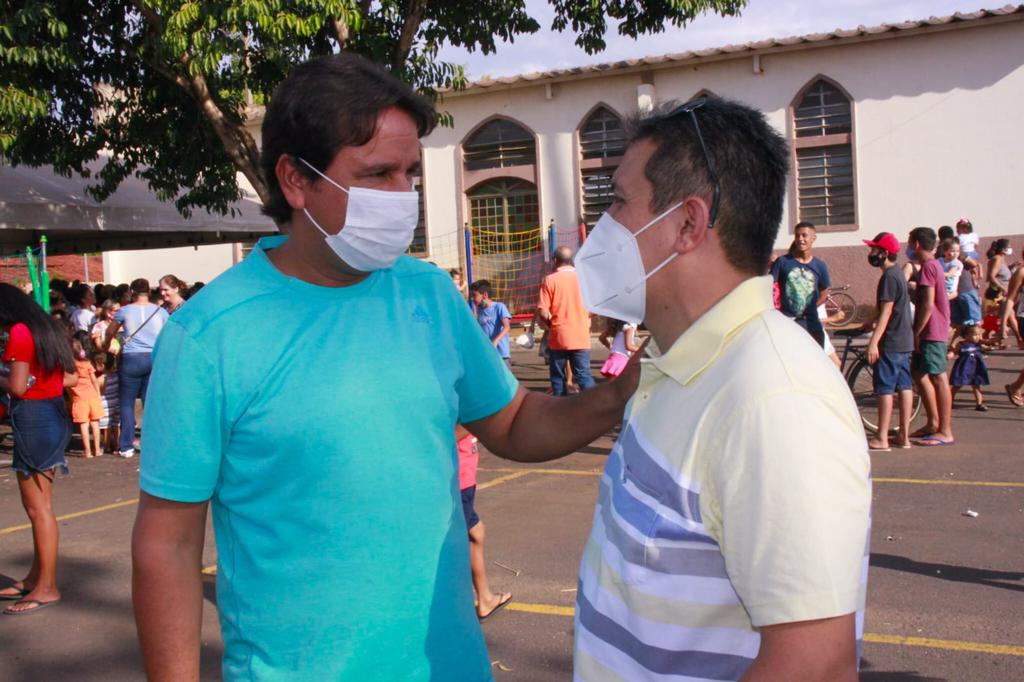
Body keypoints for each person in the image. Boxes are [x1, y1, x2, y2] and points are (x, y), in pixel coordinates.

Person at [131, 53, 639, 682]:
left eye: (409, 173)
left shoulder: (428, 293)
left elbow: (513, 423)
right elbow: (168, 543)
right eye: (377, 174)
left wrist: (620, 392)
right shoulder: (209, 335)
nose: (403, 196)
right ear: (294, 179)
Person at [572, 97, 870, 680]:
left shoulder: (774, 399)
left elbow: (816, 666)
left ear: (688, 223)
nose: (601, 226)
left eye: (619, 202)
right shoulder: (671, 364)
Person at [0, 283, 78, 614]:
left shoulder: (20, 332)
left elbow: (17, 387)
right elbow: (72, 378)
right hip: (51, 414)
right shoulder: (48, 328)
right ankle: (37, 578)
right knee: (39, 507)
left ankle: (46, 586)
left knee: (38, 508)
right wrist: (41, 383)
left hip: (33, 417)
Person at [103, 278, 168, 458]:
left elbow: (110, 331)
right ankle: (152, 443)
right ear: (150, 291)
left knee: (126, 403)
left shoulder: (124, 311)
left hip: (131, 358)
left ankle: (126, 446)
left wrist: (106, 345)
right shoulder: (160, 311)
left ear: (131, 292)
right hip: (153, 358)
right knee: (150, 403)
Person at [455, 426, 512, 621]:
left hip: (463, 479)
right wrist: (476, 422)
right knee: (459, 540)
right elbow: (449, 435)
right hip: (458, 481)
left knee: (476, 532)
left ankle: (485, 598)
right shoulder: (462, 413)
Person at [863, 232, 914, 451]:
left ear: (884, 253)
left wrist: (873, 342)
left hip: (891, 341)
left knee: (885, 388)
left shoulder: (889, 278)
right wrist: (869, 320)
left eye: (874, 249)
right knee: (904, 386)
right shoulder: (898, 274)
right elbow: (882, 308)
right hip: (905, 339)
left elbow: (886, 311)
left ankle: (882, 436)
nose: (871, 253)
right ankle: (904, 435)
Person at [908, 226, 954, 446]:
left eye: (910, 242)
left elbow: (928, 304)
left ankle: (945, 430)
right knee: (918, 373)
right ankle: (933, 423)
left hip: (932, 330)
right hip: (931, 329)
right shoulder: (934, 266)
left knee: (938, 376)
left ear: (917, 244)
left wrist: (917, 332)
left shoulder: (928, 267)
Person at [538, 246, 596, 395]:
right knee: (584, 375)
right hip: (581, 335)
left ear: (555, 260)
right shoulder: (584, 279)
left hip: (559, 336)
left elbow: (543, 311)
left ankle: (560, 406)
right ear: (571, 260)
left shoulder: (549, 280)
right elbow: (593, 310)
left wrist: (550, 323)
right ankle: (596, 403)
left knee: (558, 378)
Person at [770, 221, 831, 346]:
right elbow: (768, 287)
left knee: (816, 356)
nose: (800, 239)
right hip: (787, 324)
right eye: (797, 236)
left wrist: (809, 307)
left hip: (811, 324)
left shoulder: (820, 266)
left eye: (804, 235)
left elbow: (824, 293)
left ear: (813, 238)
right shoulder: (782, 262)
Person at [68, 332, 105, 458]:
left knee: (84, 425)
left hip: (79, 399)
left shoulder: (70, 367)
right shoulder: (87, 364)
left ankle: (88, 451)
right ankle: (97, 450)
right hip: (93, 397)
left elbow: (68, 385)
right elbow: (94, 380)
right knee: (95, 424)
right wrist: (98, 394)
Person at [469, 279, 512, 367]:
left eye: (474, 295)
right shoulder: (479, 310)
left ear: (485, 295)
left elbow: (507, 327)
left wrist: (495, 341)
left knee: (504, 376)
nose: (472, 299)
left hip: (501, 354)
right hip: (488, 353)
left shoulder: (499, 307)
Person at [948, 324, 990, 411]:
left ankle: (979, 404)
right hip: (963, 367)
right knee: (957, 385)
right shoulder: (961, 344)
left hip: (975, 368)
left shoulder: (978, 344)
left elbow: (988, 344)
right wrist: (950, 354)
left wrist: (995, 341)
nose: (978, 337)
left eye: (979, 334)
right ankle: (949, 401)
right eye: (975, 335)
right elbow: (954, 352)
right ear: (966, 335)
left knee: (976, 385)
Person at [94, 350, 120, 453]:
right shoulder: (116, 375)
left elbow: (99, 393)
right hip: (117, 402)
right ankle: (117, 445)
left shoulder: (101, 378)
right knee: (116, 424)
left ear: (102, 365)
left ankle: (106, 445)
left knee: (106, 427)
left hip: (106, 404)